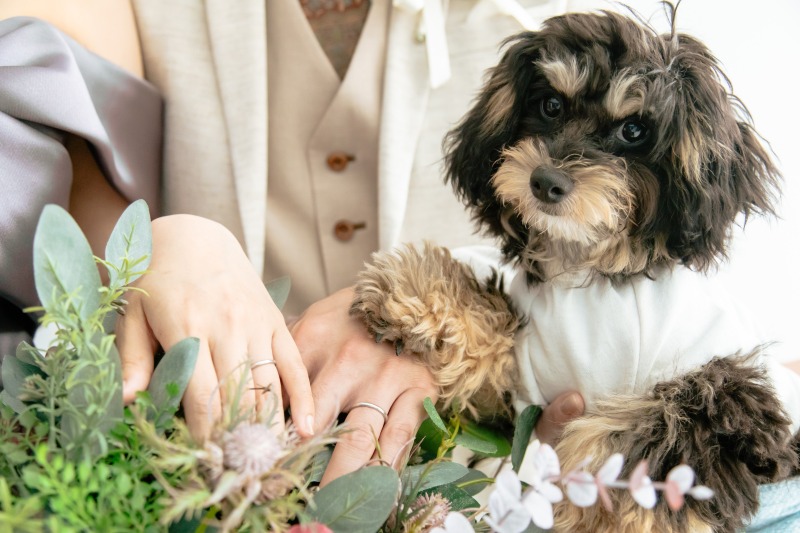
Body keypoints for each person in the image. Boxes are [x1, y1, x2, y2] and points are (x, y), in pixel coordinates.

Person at [0, 0, 584, 487]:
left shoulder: (578, 25)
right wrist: (158, 245)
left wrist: (443, 321)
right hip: (187, 465)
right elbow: (47, 156)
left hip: (477, 476)